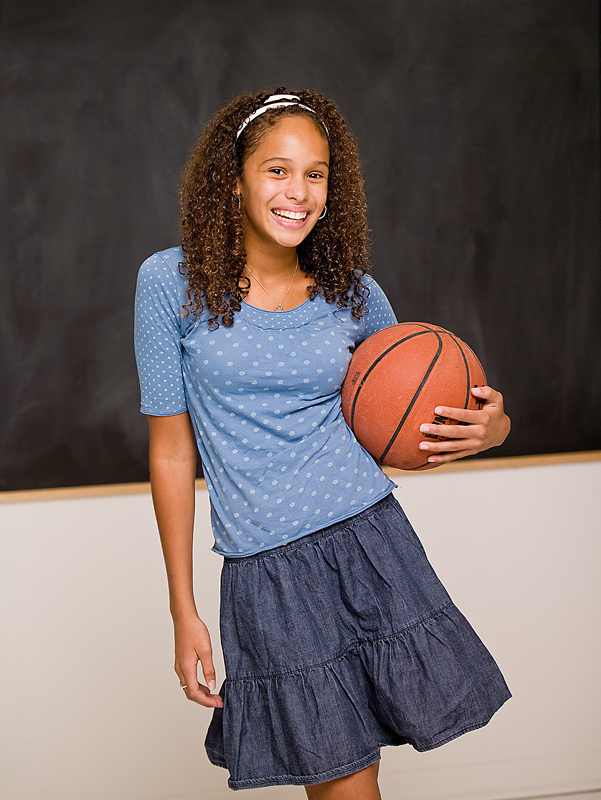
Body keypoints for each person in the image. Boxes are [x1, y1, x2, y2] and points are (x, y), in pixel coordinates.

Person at [134, 88, 511, 798]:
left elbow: (405, 422)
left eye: (316, 174)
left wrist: (492, 428)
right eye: (277, 169)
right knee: (340, 784)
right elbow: (171, 452)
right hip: (267, 573)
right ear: (234, 177)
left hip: (370, 545)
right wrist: (182, 608)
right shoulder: (168, 284)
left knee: (352, 786)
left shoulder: (354, 294)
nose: (298, 192)